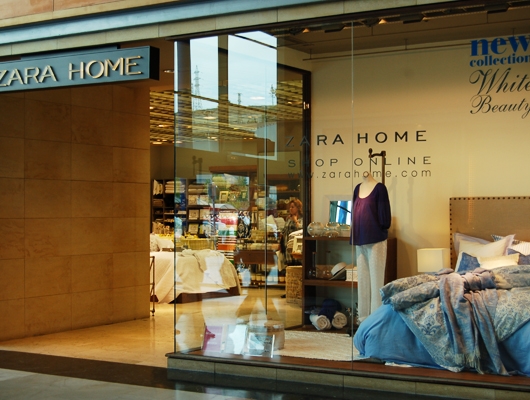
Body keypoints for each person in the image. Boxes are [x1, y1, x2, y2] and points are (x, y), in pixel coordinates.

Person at [350, 172, 391, 324]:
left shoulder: (380, 188)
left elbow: (385, 218)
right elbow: (354, 213)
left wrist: (381, 227)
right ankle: (363, 318)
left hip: (376, 238)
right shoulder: (357, 188)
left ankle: (376, 319)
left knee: (376, 279)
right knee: (362, 279)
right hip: (360, 237)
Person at [280, 199, 303, 268]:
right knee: (289, 266)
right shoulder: (288, 219)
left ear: (298, 208)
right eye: (290, 207)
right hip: (287, 246)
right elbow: (284, 231)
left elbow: (301, 230)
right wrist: (280, 244)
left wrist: (295, 220)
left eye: (292, 207)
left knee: (297, 266)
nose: (290, 209)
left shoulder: (301, 219)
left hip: (296, 247)